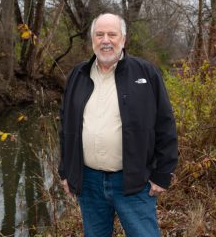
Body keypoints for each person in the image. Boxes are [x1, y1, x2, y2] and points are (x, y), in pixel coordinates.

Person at [58, 13, 178, 237]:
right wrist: (65, 171)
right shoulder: (78, 74)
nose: (106, 40)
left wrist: (162, 174)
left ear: (123, 39)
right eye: (99, 34)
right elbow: (66, 127)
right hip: (89, 181)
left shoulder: (146, 73)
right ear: (92, 39)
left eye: (112, 34)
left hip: (133, 181)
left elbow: (165, 124)